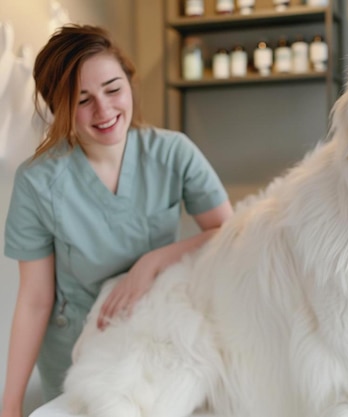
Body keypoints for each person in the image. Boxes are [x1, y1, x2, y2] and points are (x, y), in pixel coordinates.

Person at [1, 24, 233, 416]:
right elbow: (35, 300)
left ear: (129, 81)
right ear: (58, 107)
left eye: (113, 89)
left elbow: (228, 234)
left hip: (158, 343)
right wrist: (10, 405)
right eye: (82, 100)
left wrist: (153, 262)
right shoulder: (38, 181)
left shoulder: (173, 153)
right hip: (79, 356)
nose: (105, 111)